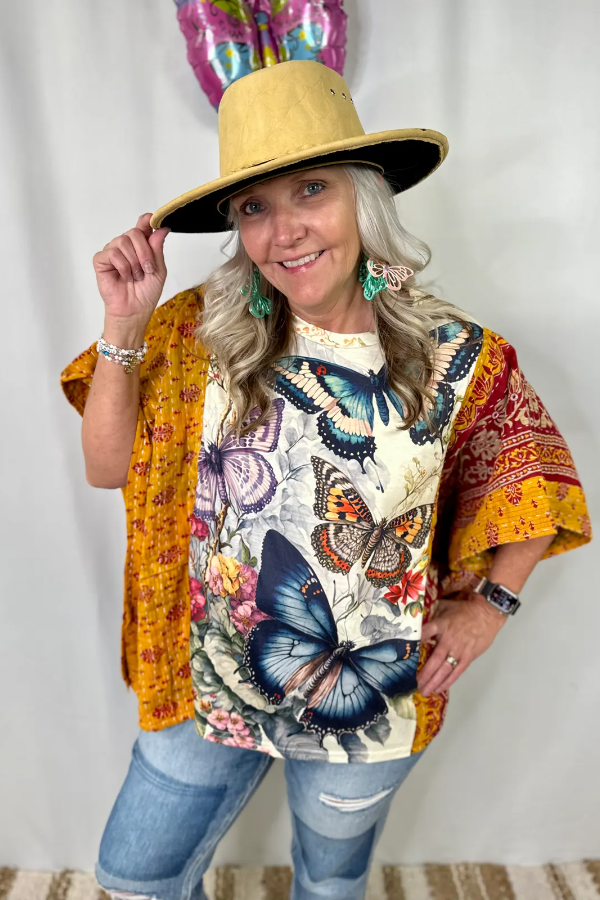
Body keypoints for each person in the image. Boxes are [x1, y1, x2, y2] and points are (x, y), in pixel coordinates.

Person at [62, 61, 591, 900]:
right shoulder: (198, 334)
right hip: (211, 679)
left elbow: (533, 476)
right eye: (254, 207)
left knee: (330, 882)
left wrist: (490, 606)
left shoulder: (459, 359)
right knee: (135, 878)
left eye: (311, 190)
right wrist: (125, 324)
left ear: (364, 198)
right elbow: (105, 467)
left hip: (371, 699)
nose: (285, 232)